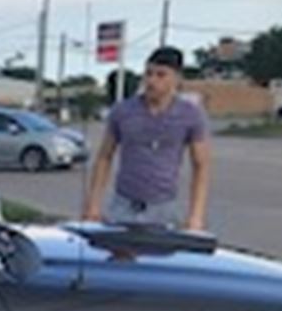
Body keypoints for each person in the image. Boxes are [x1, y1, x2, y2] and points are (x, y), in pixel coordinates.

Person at [82, 46, 212, 230]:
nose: (151, 81)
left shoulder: (190, 115)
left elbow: (201, 165)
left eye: (161, 75)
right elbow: (104, 157)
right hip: (123, 206)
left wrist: (196, 216)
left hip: (164, 207)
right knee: (119, 256)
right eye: (148, 74)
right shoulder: (123, 111)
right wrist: (93, 205)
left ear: (176, 78)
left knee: (160, 258)